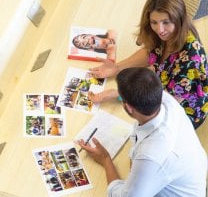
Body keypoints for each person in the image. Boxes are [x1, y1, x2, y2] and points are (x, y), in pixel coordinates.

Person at [88, 0, 208, 129]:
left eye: (166, 22)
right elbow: (150, 52)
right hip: (160, 91)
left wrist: (120, 95)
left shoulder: (190, 59)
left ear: (178, 18)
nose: (160, 29)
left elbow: (162, 104)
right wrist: (117, 67)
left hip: (181, 112)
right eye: (154, 22)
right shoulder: (165, 35)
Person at [78, 67, 207, 197]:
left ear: (128, 106)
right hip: (191, 177)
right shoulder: (167, 100)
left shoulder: (151, 154)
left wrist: (105, 159)